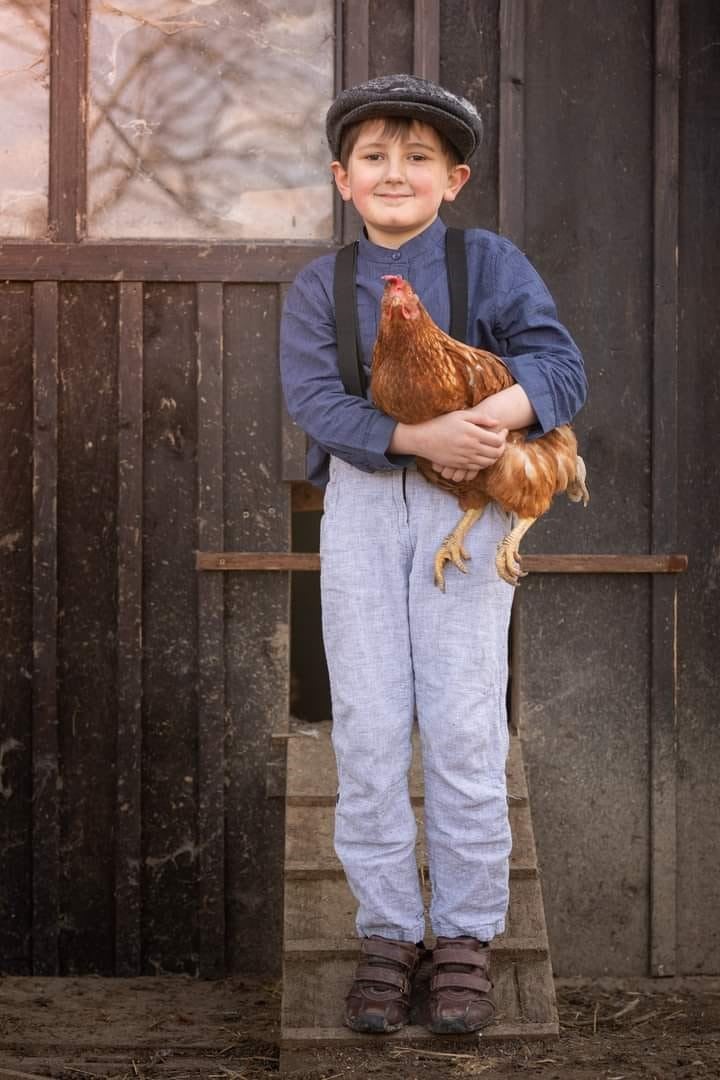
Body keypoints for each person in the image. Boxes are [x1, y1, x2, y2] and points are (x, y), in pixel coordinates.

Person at [280, 74, 587, 1035]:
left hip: (474, 511)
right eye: (374, 156)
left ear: (454, 179)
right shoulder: (319, 286)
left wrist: (485, 422)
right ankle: (386, 931)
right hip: (365, 507)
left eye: (418, 158)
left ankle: (462, 935)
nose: (395, 172)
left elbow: (560, 367)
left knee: (460, 725)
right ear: (343, 178)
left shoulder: (490, 263)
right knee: (369, 726)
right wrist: (415, 439)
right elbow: (316, 405)